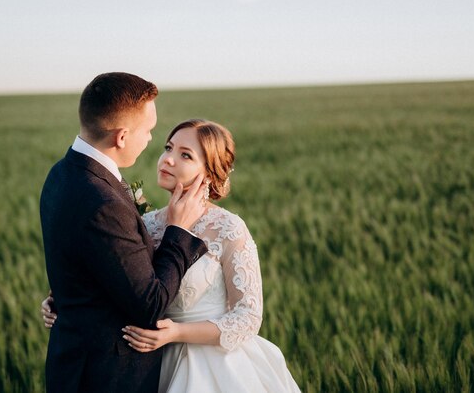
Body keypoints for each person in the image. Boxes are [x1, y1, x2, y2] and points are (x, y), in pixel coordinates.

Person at [42, 119, 301, 392]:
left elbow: (248, 316)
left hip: (214, 366)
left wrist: (176, 333)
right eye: (168, 148)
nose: (168, 160)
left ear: (209, 173)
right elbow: (125, 282)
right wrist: (62, 299)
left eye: (185, 155)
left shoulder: (228, 229)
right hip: (149, 363)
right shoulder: (147, 222)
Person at [40, 73, 209, 393]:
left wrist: (63, 298)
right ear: (121, 137)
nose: (150, 140)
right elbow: (150, 304)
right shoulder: (103, 201)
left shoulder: (61, 172)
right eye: (148, 131)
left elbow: (83, 258)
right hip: (106, 377)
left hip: (72, 362)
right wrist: (178, 229)